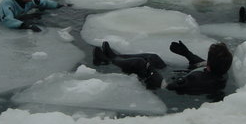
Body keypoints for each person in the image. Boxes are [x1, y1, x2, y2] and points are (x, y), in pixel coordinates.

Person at [93, 40, 233, 96]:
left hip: (163, 84)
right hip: (170, 75)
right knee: (153, 57)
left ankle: (107, 60)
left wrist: (151, 72)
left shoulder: (197, 79)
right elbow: (201, 63)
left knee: (142, 63)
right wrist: (186, 53)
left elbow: (169, 87)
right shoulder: (219, 70)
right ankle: (117, 56)